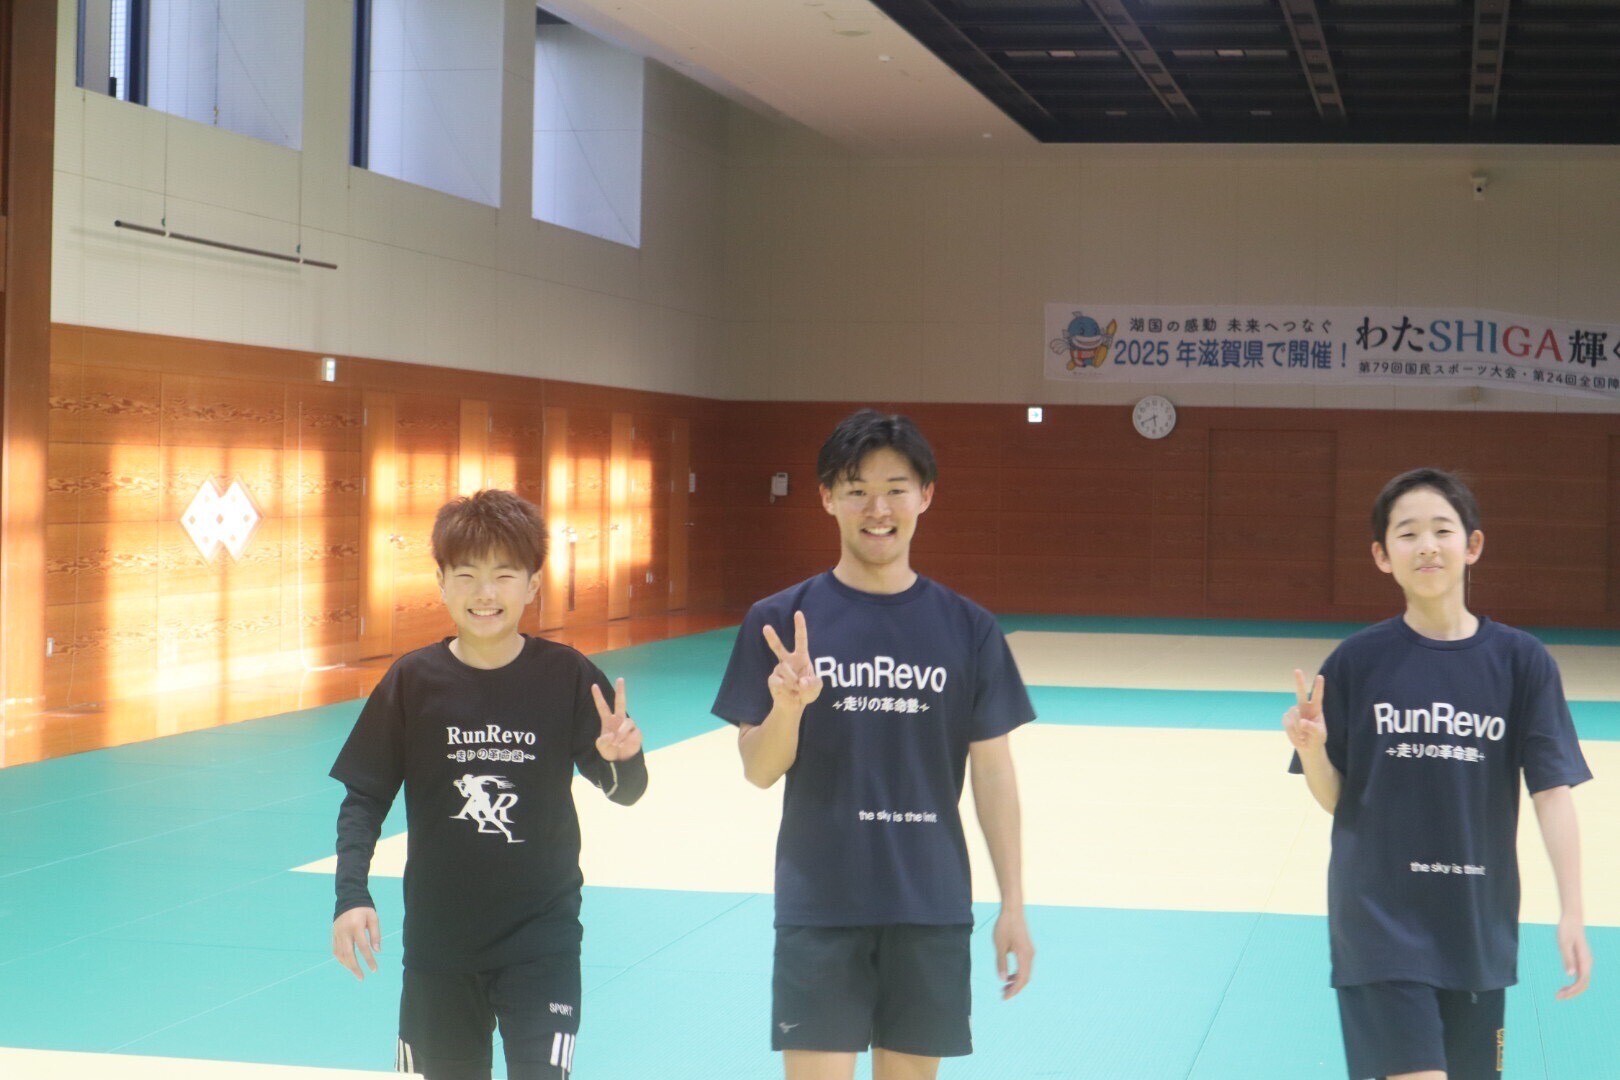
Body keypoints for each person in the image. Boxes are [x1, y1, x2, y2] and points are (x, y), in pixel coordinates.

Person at [712, 409, 1035, 1080]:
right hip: (820, 904)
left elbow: (994, 773)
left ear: (926, 495)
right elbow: (759, 771)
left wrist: (1013, 904)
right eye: (857, 489)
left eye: (896, 488)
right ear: (827, 497)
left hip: (930, 904)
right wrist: (788, 709)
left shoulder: (970, 629)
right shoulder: (779, 622)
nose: (878, 509)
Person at [1283, 467, 1592, 1080]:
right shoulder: (1355, 662)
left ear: (1472, 545)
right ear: (1382, 555)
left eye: (1442, 530)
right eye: (1407, 533)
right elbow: (1338, 800)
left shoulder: (1522, 663)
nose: (1426, 545)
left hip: (1476, 924)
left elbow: (1552, 792)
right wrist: (1314, 751)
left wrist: (1572, 910)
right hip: (1378, 921)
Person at [329, 489, 647, 1080]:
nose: (485, 593)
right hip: (440, 946)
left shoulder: (567, 674)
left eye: (504, 575)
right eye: (467, 575)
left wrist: (623, 760)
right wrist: (351, 896)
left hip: (543, 940)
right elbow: (364, 798)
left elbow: (626, 790)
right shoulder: (413, 680)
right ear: (441, 583)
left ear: (532, 584)